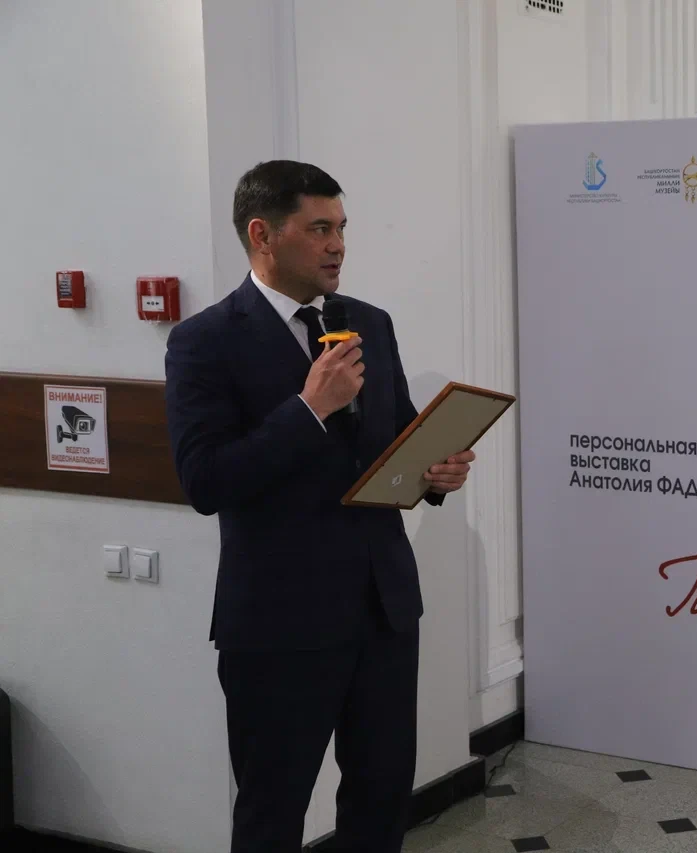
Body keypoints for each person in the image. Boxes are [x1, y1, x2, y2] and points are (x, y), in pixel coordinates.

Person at [164, 160, 475, 853]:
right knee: (273, 812)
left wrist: (435, 470)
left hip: (382, 609)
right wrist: (309, 409)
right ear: (262, 236)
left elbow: (396, 437)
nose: (338, 245)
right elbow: (205, 481)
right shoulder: (204, 341)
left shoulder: (369, 323)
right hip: (280, 622)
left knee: (381, 799)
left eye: (341, 228)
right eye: (319, 229)